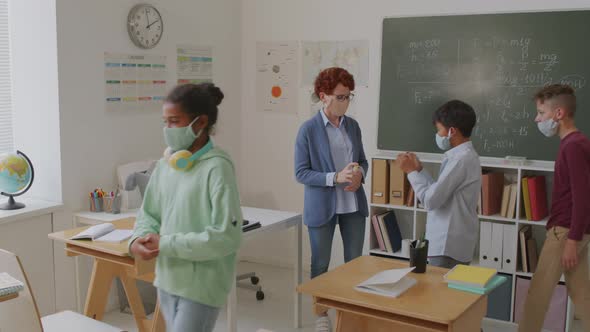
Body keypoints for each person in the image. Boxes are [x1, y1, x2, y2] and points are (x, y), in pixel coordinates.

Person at [129, 83, 242, 332]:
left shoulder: (217, 168)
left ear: (200, 122)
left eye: (174, 121)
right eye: (165, 121)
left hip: (202, 285)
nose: (167, 129)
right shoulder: (166, 165)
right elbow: (149, 213)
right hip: (168, 279)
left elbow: (226, 237)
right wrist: (137, 239)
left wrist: (165, 244)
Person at [294, 67, 368, 332]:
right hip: (322, 206)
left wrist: (360, 176)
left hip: (352, 205)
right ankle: (321, 314)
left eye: (349, 96)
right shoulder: (308, 130)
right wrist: (334, 178)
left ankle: (350, 310)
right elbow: (301, 173)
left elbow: (362, 161)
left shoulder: (353, 126)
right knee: (320, 263)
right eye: (340, 97)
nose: (345, 102)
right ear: (323, 96)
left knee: (354, 262)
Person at [519, 84, 590, 332]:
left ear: (559, 114)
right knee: (581, 294)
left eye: (541, 112)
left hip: (564, 232)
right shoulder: (576, 143)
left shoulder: (573, 146)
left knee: (537, 297)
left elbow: (583, 197)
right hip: (573, 232)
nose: (537, 118)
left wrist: (572, 239)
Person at [398, 100, 481, 269]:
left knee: (439, 294)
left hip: (447, 246)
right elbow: (439, 191)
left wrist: (411, 172)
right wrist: (419, 170)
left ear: (452, 131)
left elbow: (430, 201)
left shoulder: (460, 160)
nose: (438, 135)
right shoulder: (464, 156)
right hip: (454, 243)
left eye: (439, 130)